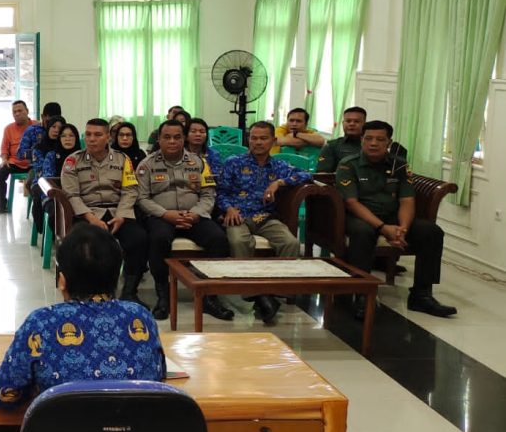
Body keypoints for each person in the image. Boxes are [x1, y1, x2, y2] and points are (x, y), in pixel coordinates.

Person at [0, 224, 165, 407]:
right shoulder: (141, 316)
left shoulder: (40, 323)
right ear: (117, 277)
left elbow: (4, 395)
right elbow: (158, 377)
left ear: (62, 281)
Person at [336, 121, 455, 318]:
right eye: (369, 139)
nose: (374, 143)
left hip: (393, 217)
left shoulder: (399, 165)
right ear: (362, 141)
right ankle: (361, 294)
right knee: (362, 232)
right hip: (361, 216)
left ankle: (421, 295)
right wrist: (383, 228)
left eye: (380, 139)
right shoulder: (349, 164)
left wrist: (403, 229)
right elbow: (352, 203)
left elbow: (407, 201)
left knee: (432, 232)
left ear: (389, 142)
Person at [136, 120, 234, 321]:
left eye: (177, 137)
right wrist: (165, 214)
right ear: (159, 139)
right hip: (162, 216)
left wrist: (197, 213)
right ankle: (163, 296)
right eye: (167, 137)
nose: (172, 141)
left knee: (218, 238)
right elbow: (141, 198)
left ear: (184, 138)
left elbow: (208, 194)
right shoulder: (147, 165)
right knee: (158, 239)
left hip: (194, 215)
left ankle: (209, 296)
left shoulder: (199, 163)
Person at [216, 122, 311, 325]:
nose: (257, 142)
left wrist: (279, 182)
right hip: (238, 216)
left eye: (263, 138)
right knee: (239, 241)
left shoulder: (279, 166)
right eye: (253, 138)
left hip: (266, 217)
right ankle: (249, 292)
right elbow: (221, 192)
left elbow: (306, 175)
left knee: (291, 243)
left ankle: (272, 292)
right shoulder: (234, 162)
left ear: (273, 141)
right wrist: (229, 209)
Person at [58, 118, 149, 307]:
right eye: (88, 134)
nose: (92, 139)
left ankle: (129, 292)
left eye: (98, 135)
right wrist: (90, 218)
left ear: (108, 137)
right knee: (81, 245)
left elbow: (131, 190)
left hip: (117, 212)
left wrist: (122, 215)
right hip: (87, 213)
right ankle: (80, 291)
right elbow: (71, 194)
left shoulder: (122, 160)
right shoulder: (73, 161)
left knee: (139, 239)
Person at [317, 106, 408, 173]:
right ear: (343, 123)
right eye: (348, 121)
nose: (351, 124)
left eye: (356, 121)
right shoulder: (332, 146)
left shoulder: (376, 145)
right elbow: (322, 176)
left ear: (364, 123)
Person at [0, 99, 33, 215]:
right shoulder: (8, 129)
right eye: (14, 112)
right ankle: (2, 205)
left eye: (20, 110)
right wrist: (4, 160)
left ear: (27, 111)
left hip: (33, 163)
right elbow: (4, 148)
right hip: (14, 163)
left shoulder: (37, 125)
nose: (17, 114)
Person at [27, 115, 64, 233]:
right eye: (53, 127)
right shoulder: (38, 147)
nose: (56, 130)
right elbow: (40, 170)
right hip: (40, 179)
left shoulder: (64, 146)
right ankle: (41, 226)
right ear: (48, 128)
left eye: (60, 127)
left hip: (61, 181)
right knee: (39, 191)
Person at [16, 101, 63, 169]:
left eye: (55, 124)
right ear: (42, 117)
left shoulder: (64, 130)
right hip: (36, 167)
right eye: (48, 122)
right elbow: (20, 154)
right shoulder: (32, 131)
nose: (52, 128)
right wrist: (38, 151)